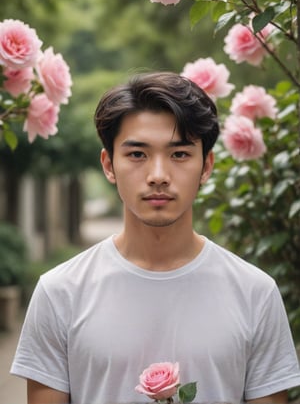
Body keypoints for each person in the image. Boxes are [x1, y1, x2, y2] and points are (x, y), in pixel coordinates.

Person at [11, 72, 300, 404]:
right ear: (109, 165)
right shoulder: (60, 293)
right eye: (137, 154)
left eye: (179, 155)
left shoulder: (255, 294)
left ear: (206, 166)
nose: (158, 176)